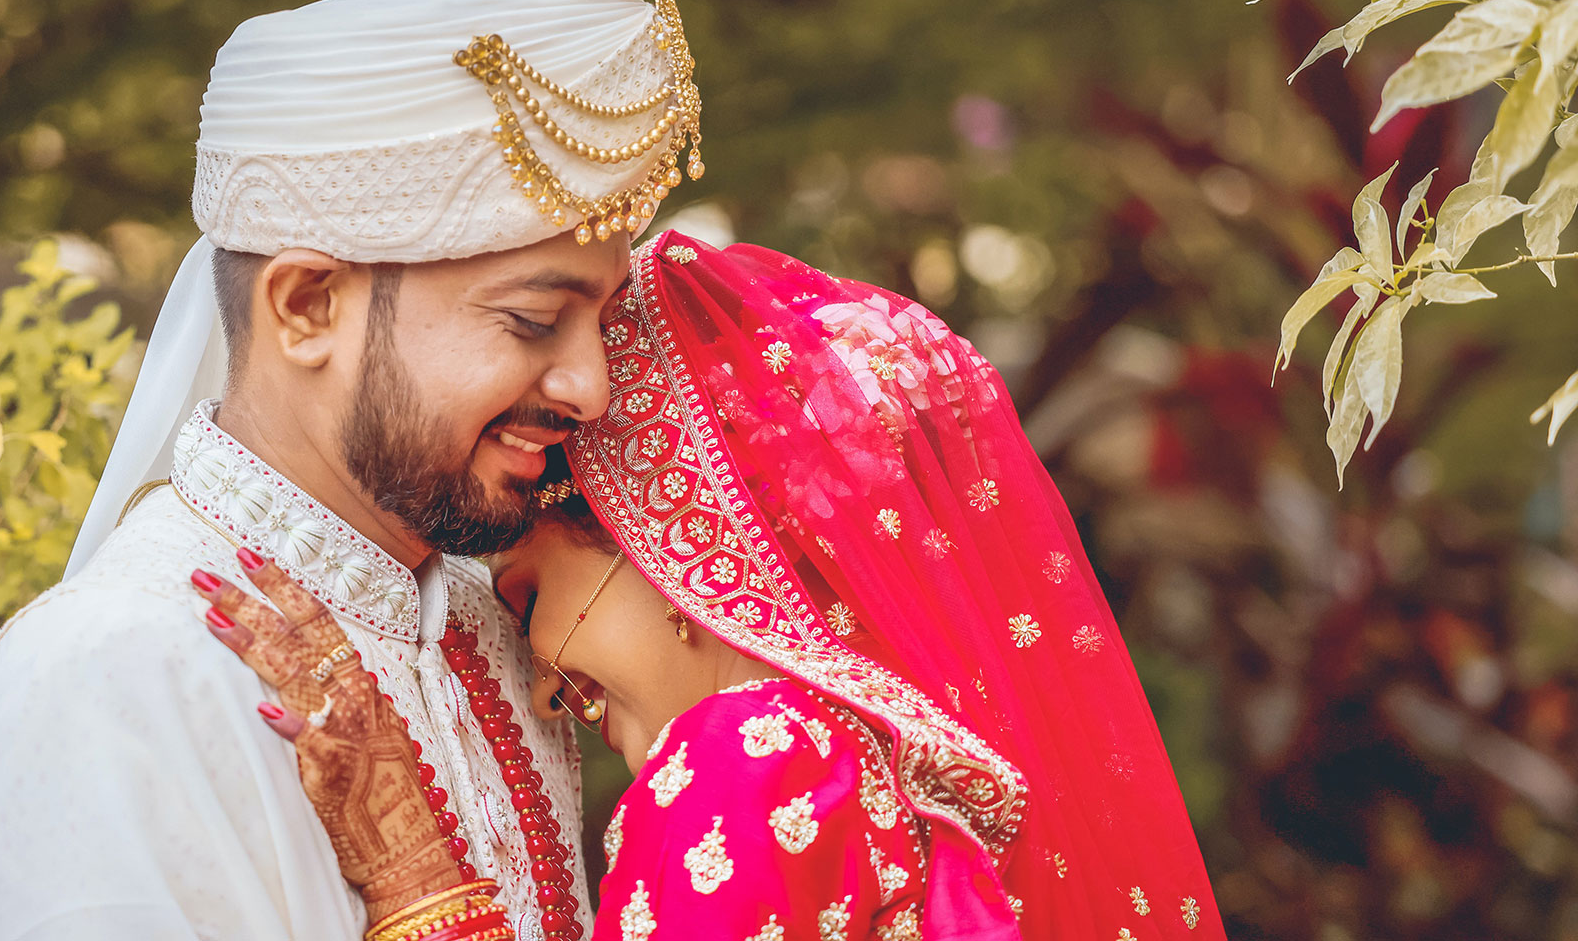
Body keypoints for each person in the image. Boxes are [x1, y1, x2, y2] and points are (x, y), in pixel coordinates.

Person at [0, 0, 707, 938]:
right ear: (306, 307)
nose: (589, 385)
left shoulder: (492, 635)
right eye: (534, 320)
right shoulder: (113, 674)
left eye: (601, 323)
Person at [196, 232, 1227, 940]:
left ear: (669, 547)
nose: (547, 686)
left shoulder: (752, 755)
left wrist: (418, 877)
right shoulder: (876, 773)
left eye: (526, 603)